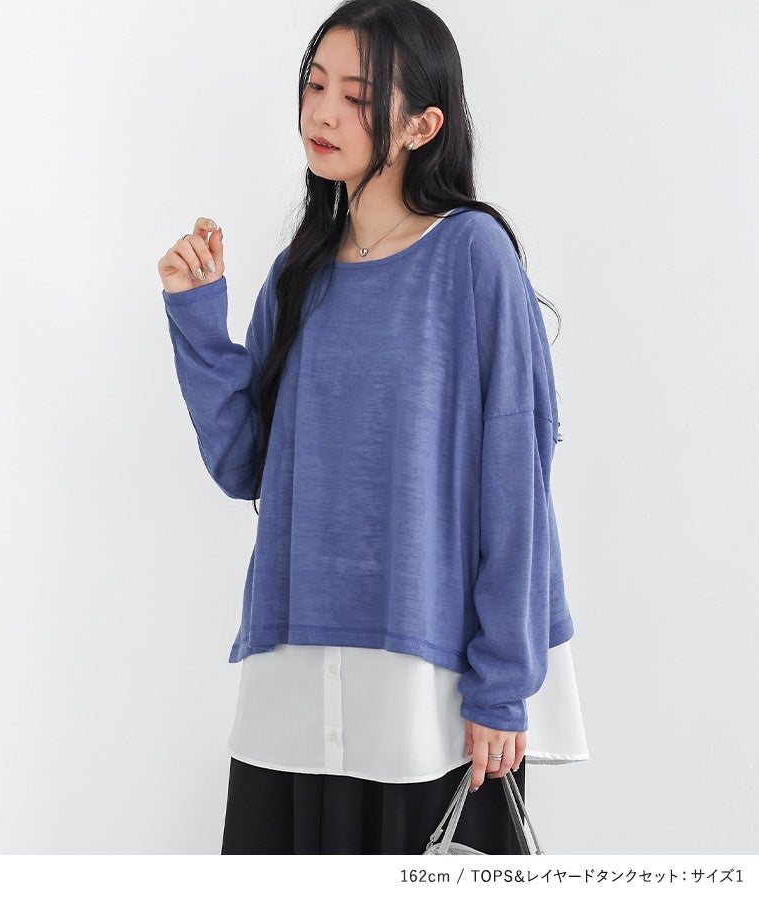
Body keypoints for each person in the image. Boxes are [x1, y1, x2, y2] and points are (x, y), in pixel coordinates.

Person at [157, 0, 588, 855]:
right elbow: (248, 464)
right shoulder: (299, 271)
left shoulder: (472, 256)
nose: (322, 113)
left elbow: (515, 478)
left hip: (426, 679)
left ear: (424, 125)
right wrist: (198, 320)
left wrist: (503, 683)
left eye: (357, 97)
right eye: (315, 84)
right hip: (292, 667)